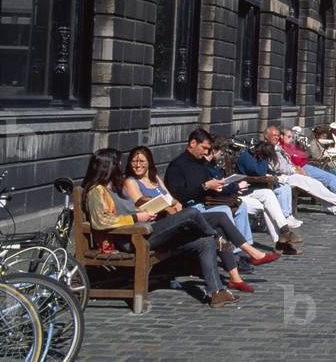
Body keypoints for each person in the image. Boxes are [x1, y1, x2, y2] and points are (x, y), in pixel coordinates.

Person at [83, 148, 239, 309]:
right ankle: (216, 236)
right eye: (118, 162)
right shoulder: (97, 191)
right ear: (108, 166)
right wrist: (137, 217)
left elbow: (128, 211)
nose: (122, 165)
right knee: (191, 213)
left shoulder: (117, 186)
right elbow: (101, 221)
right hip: (133, 239)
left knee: (204, 242)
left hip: (148, 230)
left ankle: (217, 292)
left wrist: (145, 213)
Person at [123, 146, 279, 293]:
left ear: (149, 162)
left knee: (221, 217)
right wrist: (169, 206)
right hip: (159, 226)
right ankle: (250, 254)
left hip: (173, 218)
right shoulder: (131, 181)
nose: (138, 165)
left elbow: (171, 199)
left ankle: (236, 277)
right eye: (134, 161)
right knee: (204, 223)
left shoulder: (154, 178)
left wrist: (175, 204)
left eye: (142, 161)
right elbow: (142, 204)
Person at [163, 128, 254, 249]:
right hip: (190, 208)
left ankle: (243, 249)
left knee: (241, 206)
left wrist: (217, 186)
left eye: (208, 149)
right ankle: (234, 254)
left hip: (207, 202)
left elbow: (209, 182)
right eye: (204, 148)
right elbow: (178, 194)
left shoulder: (201, 162)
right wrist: (205, 187)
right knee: (224, 211)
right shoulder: (177, 165)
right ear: (193, 143)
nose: (206, 152)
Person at [236, 141, 306, 253]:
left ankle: (283, 235)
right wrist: (264, 160)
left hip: (251, 189)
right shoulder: (246, 157)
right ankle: (282, 241)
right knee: (267, 201)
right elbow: (260, 171)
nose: (266, 160)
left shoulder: (256, 156)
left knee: (268, 195)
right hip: (242, 191)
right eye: (266, 157)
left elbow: (261, 172)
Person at [274, 126, 336, 208]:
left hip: (306, 165)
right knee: (329, 178)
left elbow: (302, 155)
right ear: (281, 136)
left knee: (331, 177)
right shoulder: (282, 148)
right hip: (301, 168)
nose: (291, 139)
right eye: (289, 137)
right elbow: (292, 161)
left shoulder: (290, 145)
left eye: (292, 137)